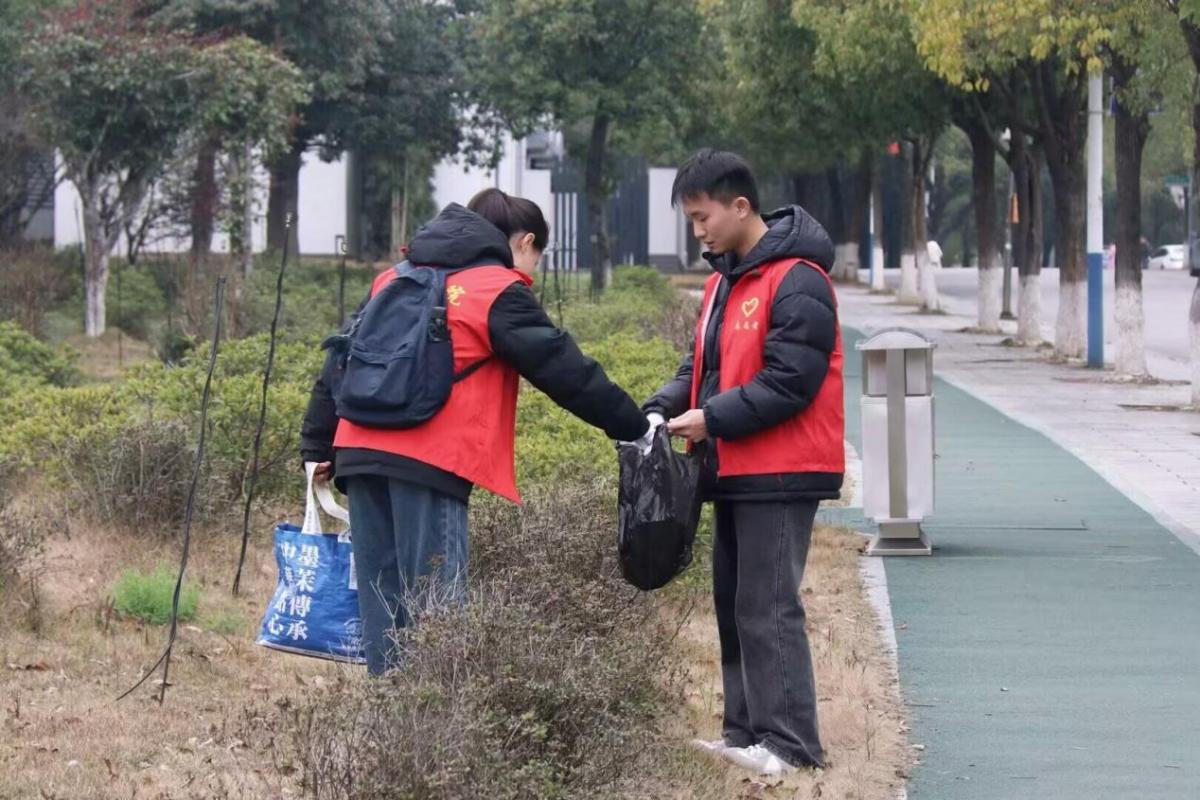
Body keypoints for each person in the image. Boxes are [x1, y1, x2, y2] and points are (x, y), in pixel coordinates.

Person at [299, 188, 654, 675]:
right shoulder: (496, 288)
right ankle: (437, 721)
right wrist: (634, 426)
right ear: (524, 242)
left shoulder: (392, 277)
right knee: (438, 618)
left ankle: (391, 719)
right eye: (536, 257)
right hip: (431, 463)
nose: (531, 272)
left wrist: (316, 444)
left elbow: (338, 360)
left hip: (358, 455)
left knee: (383, 615)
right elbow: (565, 370)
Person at [644, 149, 843, 777]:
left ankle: (791, 745)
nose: (698, 231)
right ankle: (744, 732)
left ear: (740, 206)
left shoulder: (799, 280)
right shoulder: (721, 283)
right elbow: (700, 368)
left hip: (781, 471)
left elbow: (790, 381)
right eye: (690, 220)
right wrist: (658, 408)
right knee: (735, 603)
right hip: (730, 468)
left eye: (703, 217)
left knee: (768, 604)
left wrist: (711, 418)